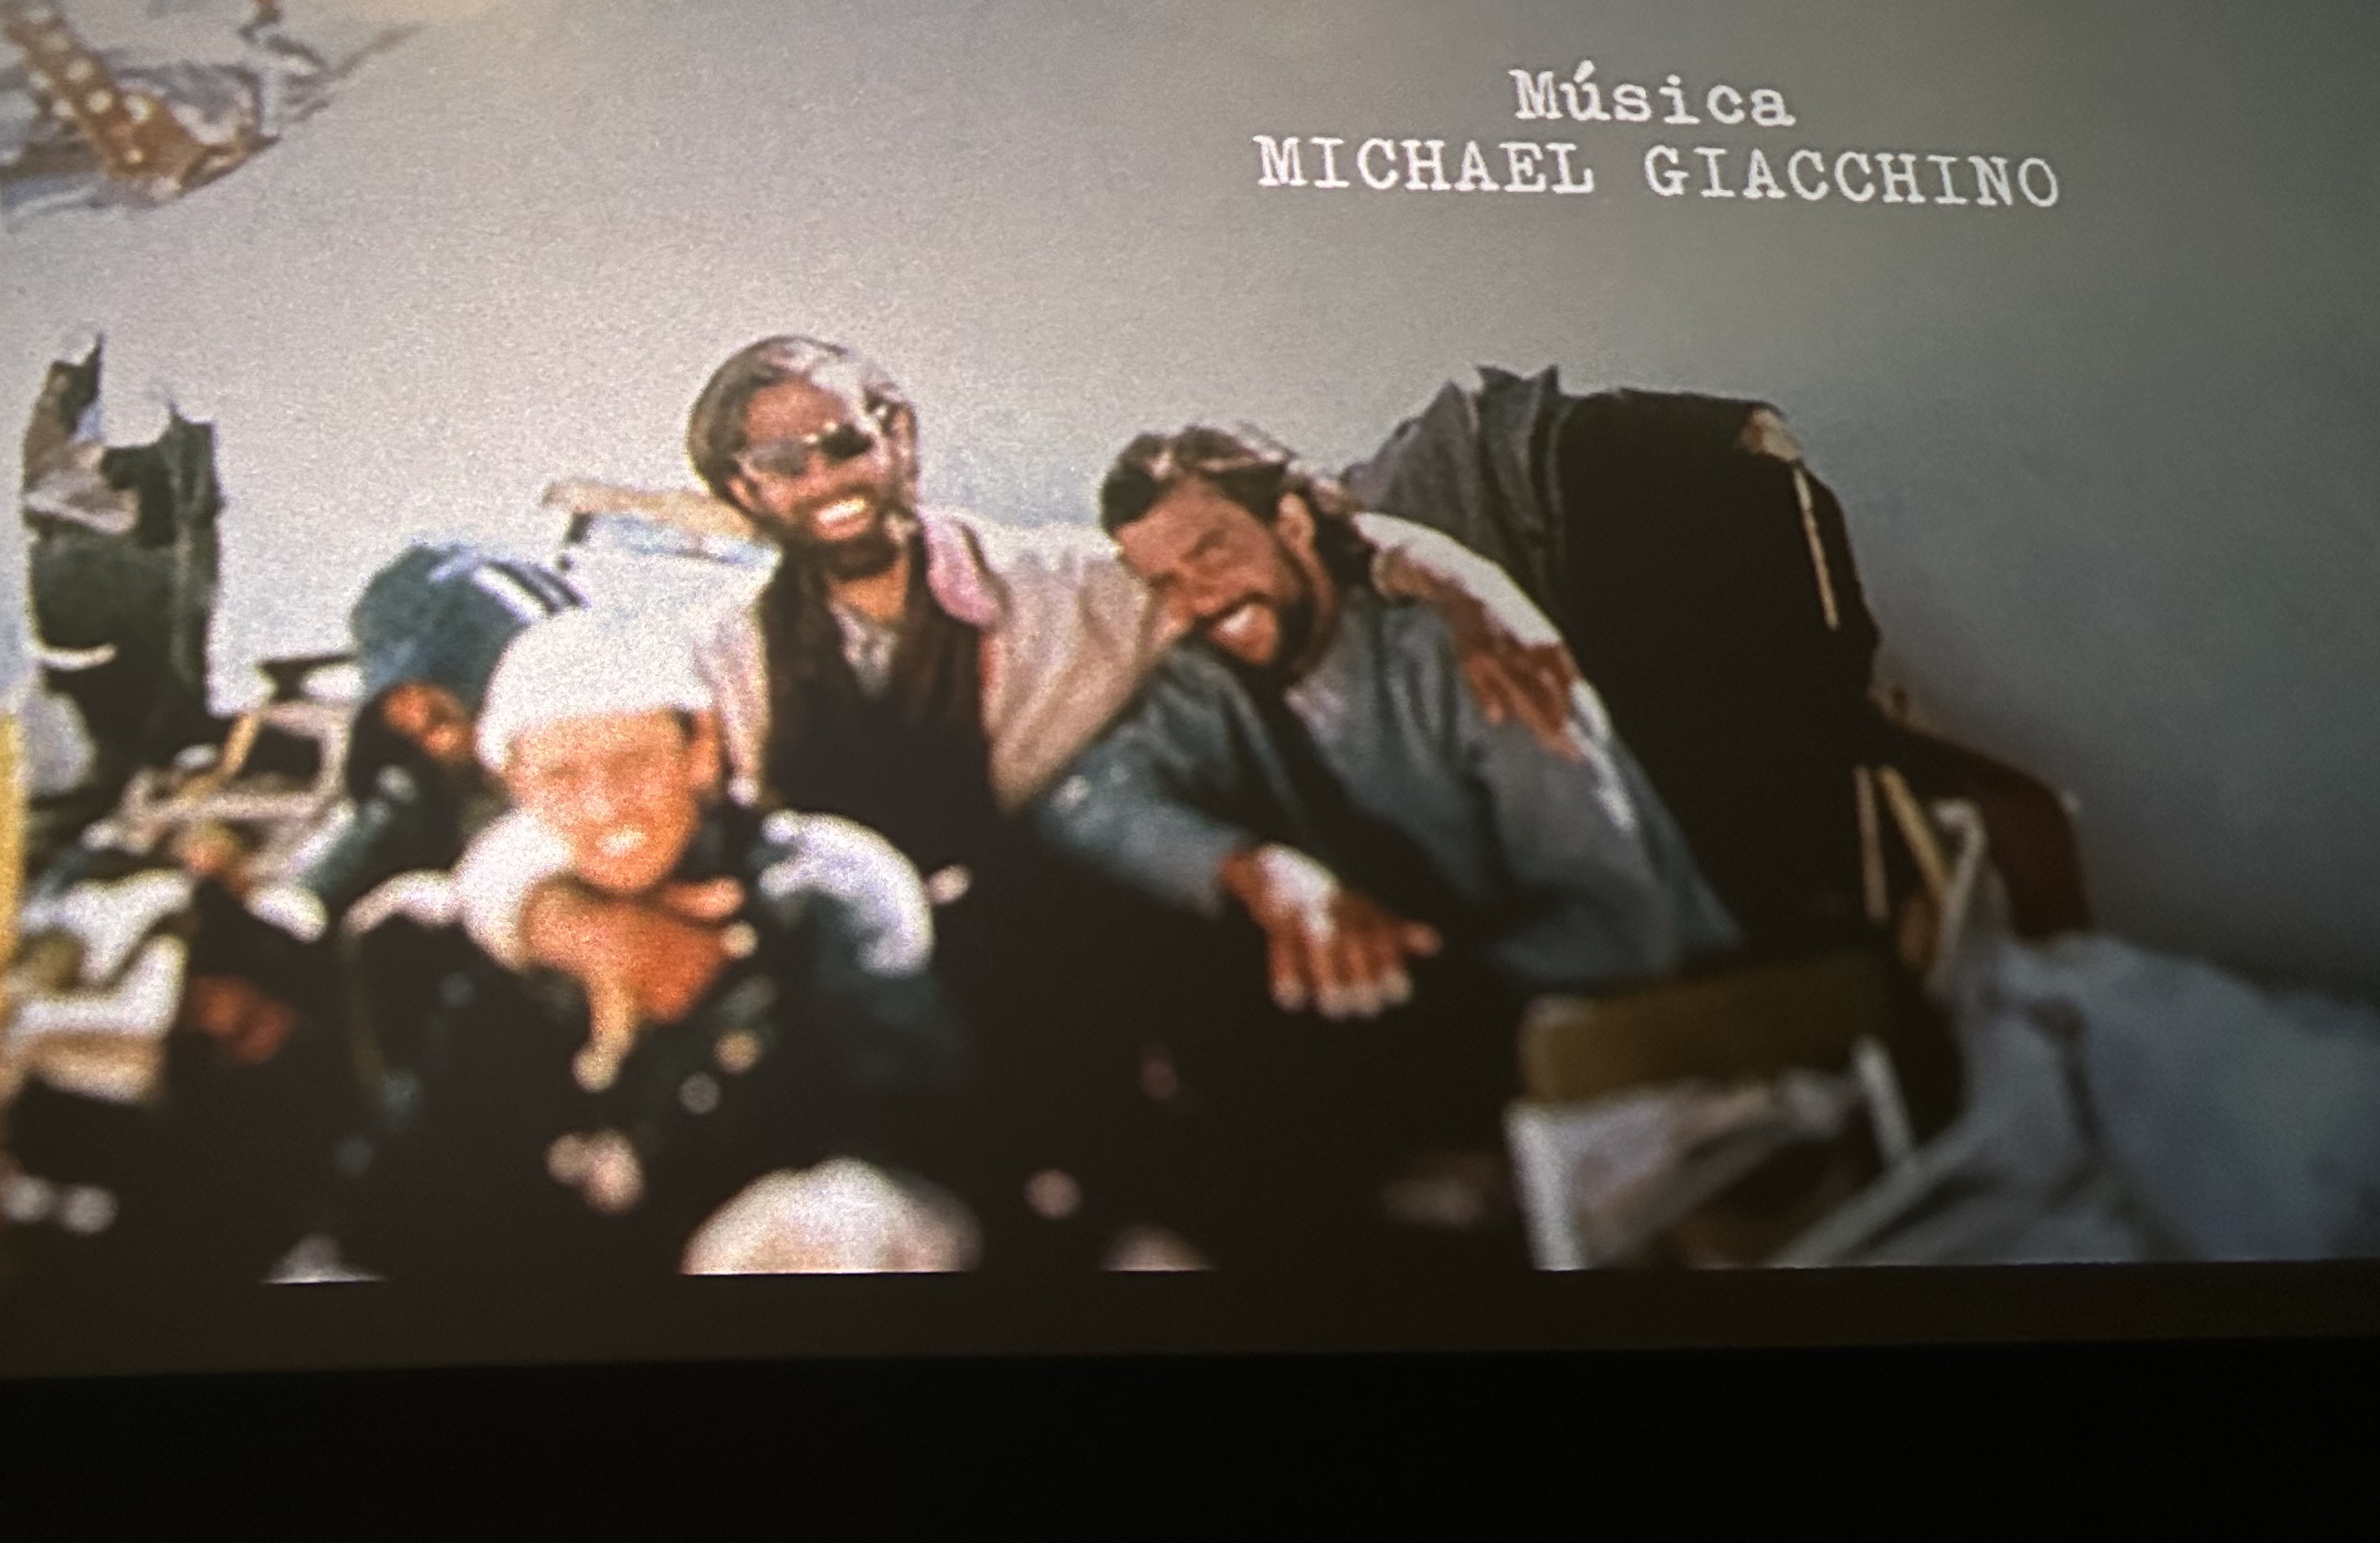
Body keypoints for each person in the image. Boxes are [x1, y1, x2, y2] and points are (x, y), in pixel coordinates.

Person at [463, 337, 1582, 1259]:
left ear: (898, 437)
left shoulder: (1063, 586)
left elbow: (1297, 540)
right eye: (780, 464)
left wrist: (1467, 591)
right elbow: (566, 805)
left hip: (1080, 958)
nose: (825, 481)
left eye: (843, 443)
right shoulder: (722, 655)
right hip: (852, 986)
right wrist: (562, 915)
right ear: (744, 492)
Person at [343, 608, 970, 1280]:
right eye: (561, 777)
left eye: (633, 762)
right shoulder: (519, 945)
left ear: (700, 748)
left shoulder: (826, 889)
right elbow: (416, 1178)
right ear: (518, 785)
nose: (605, 806)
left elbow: (913, 1125)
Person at [1041, 424, 1738, 1013]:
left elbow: (1629, 922)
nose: (1201, 597)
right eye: (1166, 582)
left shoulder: (1461, 658)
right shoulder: (1209, 687)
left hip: (1656, 1022)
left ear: (1291, 525)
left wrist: (1430, 986)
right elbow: (1089, 801)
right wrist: (1255, 871)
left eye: (1211, 551)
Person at [276, 541, 582, 923]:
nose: (433, 741)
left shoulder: (584, 791)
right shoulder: (412, 792)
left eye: (443, 715)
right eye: (401, 731)